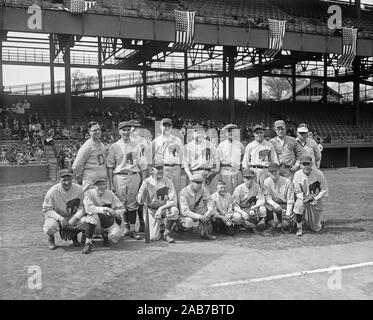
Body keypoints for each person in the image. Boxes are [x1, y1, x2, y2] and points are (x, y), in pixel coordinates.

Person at [106, 121, 147, 240]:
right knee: (121, 204)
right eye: (123, 130)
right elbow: (109, 165)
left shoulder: (137, 145)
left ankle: (133, 230)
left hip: (133, 175)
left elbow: (143, 165)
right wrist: (111, 183)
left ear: (131, 131)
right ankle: (126, 228)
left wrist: (143, 182)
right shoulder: (114, 146)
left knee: (133, 204)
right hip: (119, 176)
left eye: (128, 129)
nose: (126, 132)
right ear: (119, 131)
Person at [42, 169, 97, 252]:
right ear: (59, 180)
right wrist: (60, 218)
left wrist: (74, 218)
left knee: (89, 221)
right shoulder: (52, 192)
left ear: (72, 179)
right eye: (64, 180)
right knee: (50, 226)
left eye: (69, 179)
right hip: (57, 217)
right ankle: (51, 238)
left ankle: (80, 236)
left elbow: (83, 207)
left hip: (73, 216)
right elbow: (47, 209)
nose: (67, 182)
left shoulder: (79, 189)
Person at [137, 164, 179, 243]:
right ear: (151, 170)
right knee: (154, 237)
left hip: (164, 208)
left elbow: (173, 200)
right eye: (157, 169)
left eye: (161, 168)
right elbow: (140, 201)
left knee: (174, 211)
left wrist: (161, 208)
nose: (160, 171)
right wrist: (145, 191)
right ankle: (160, 227)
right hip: (151, 210)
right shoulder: (146, 182)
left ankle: (166, 233)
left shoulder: (168, 181)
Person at [83, 177, 125, 254]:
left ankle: (105, 235)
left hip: (108, 223)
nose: (101, 187)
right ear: (93, 186)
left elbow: (121, 208)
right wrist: (104, 209)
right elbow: (88, 208)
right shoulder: (89, 193)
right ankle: (88, 242)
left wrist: (114, 212)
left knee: (116, 235)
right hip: (96, 224)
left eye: (103, 184)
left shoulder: (110, 193)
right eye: (98, 185)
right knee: (91, 218)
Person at [293, 156, 329, 236]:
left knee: (316, 228)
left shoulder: (318, 173)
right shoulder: (297, 174)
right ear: (301, 165)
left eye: (308, 164)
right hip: (303, 198)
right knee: (298, 205)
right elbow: (297, 191)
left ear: (312, 164)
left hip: (316, 199)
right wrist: (304, 198)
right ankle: (299, 227)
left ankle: (310, 221)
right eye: (304, 164)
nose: (306, 166)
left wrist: (314, 198)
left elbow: (324, 189)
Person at [178, 174, 216, 240]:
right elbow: (185, 212)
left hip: (194, 210)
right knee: (188, 222)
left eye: (200, 183)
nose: (199, 185)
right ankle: (179, 229)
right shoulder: (183, 192)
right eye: (196, 182)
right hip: (183, 214)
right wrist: (200, 217)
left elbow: (209, 200)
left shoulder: (202, 188)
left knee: (210, 209)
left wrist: (208, 212)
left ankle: (204, 232)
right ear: (191, 183)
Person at [183, 124, 220, 194]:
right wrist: (191, 176)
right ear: (193, 134)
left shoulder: (210, 145)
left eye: (201, 132)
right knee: (194, 196)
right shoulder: (188, 147)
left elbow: (216, 159)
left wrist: (213, 171)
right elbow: (186, 165)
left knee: (209, 196)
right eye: (197, 132)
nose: (200, 134)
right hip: (194, 173)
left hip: (208, 174)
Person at [72, 122, 107, 191]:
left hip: (102, 183)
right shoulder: (87, 146)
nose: (97, 132)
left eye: (99, 129)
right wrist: (85, 175)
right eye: (94, 130)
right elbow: (76, 166)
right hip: (91, 184)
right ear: (89, 132)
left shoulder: (101, 144)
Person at [130, 120, 152, 232]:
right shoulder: (125, 141)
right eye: (133, 127)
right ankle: (129, 225)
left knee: (142, 197)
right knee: (130, 200)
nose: (135, 129)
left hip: (142, 171)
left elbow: (147, 158)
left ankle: (142, 223)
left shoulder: (144, 141)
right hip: (131, 172)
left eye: (137, 127)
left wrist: (147, 174)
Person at [152, 118, 184, 195]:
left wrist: (181, 168)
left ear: (171, 127)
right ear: (160, 126)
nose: (166, 128)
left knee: (176, 191)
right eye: (164, 125)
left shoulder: (177, 140)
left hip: (175, 168)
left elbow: (182, 155)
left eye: (168, 126)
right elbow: (151, 157)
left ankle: (175, 206)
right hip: (163, 168)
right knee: (163, 190)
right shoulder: (155, 141)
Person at [242, 124, 279, 188]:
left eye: (261, 132)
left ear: (264, 133)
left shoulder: (269, 145)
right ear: (254, 134)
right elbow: (245, 161)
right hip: (253, 170)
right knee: (253, 190)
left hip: (265, 170)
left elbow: (274, 160)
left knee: (265, 189)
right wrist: (247, 173)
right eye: (257, 133)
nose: (259, 134)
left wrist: (273, 172)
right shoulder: (250, 145)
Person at [263, 162, 295, 231]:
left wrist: (287, 214)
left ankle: (285, 221)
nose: (273, 173)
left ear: (278, 171)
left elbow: (290, 200)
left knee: (286, 226)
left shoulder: (287, 182)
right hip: (273, 205)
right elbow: (267, 197)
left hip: (285, 205)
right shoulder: (266, 181)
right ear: (268, 172)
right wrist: (274, 204)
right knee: (265, 207)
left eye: (275, 171)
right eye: (271, 171)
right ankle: (270, 222)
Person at [217, 124, 245, 194]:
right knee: (225, 193)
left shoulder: (240, 145)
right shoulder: (221, 145)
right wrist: (227, 163)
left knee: (237, 193)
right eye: (229, 131)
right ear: (226, 133)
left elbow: (243, 160)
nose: (231, 133)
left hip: (236, 173)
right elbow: (217, 160)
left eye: (233, 131)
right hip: (225, 172)